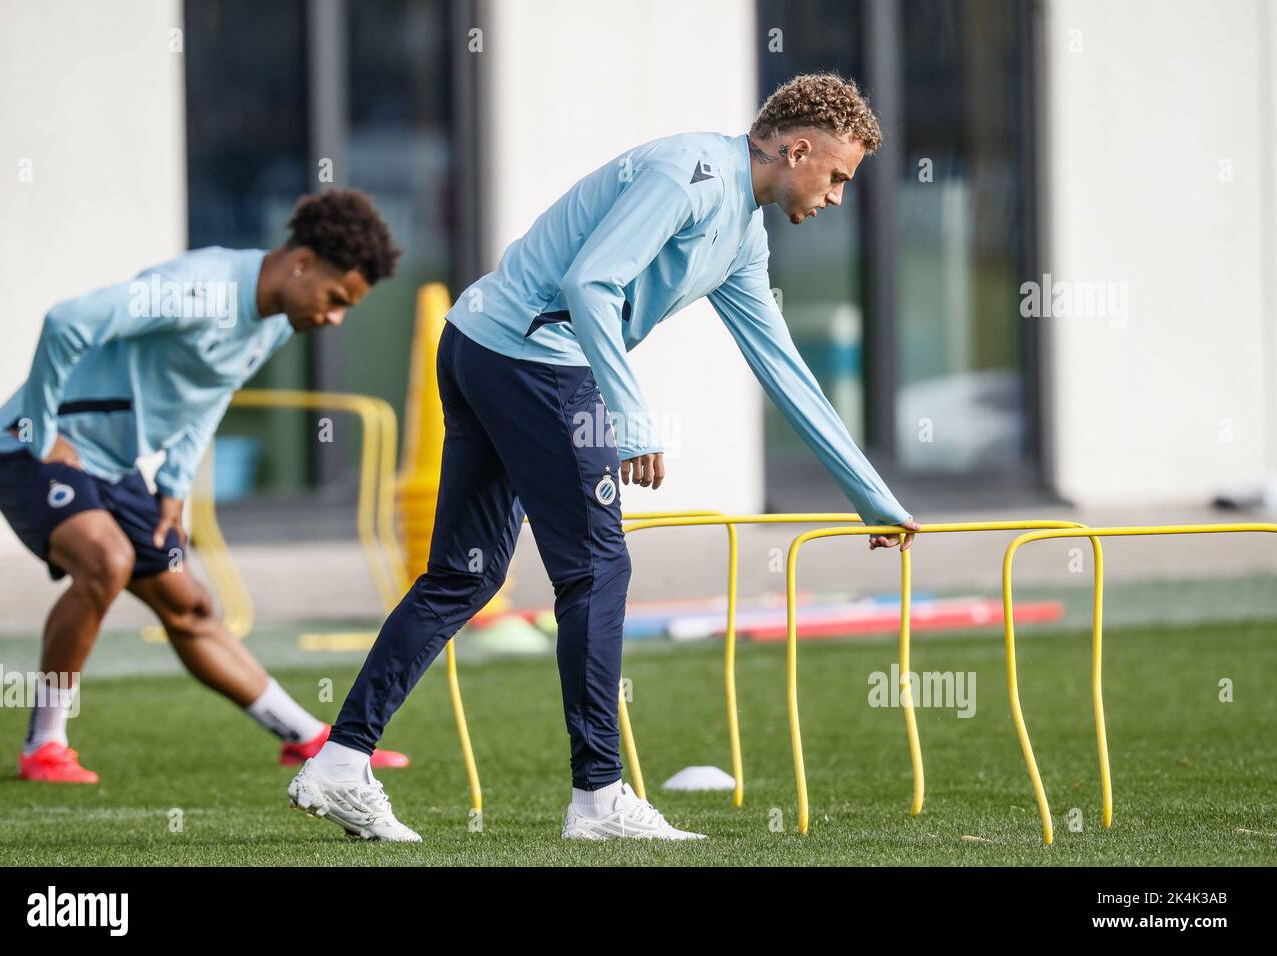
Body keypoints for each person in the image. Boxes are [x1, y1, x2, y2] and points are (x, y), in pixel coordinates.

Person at [288, 73, 920, 843]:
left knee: (467, 571)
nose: (837, 198)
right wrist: (632, 419)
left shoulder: (744, 238)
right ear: (797, 150)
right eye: (839, 177)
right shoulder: (688, 174)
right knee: (595, 568)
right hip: (533, 357)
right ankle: (598, 800)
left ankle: (342, 760)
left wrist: (871, 496)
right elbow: (591, 282)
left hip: (482, 346)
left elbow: (782, 368)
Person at [0, 189, 410, 784]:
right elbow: (67, 321)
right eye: (336, 299)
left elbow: (211, 395)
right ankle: (44, 746)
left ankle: (304, 738)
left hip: (112, 465)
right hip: (24, 450)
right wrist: (39, 428)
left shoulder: (277, 320)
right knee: (108, 560)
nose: (334, 318)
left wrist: (176, 486)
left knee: (191, 605)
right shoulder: (199, 289)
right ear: (303, 262)